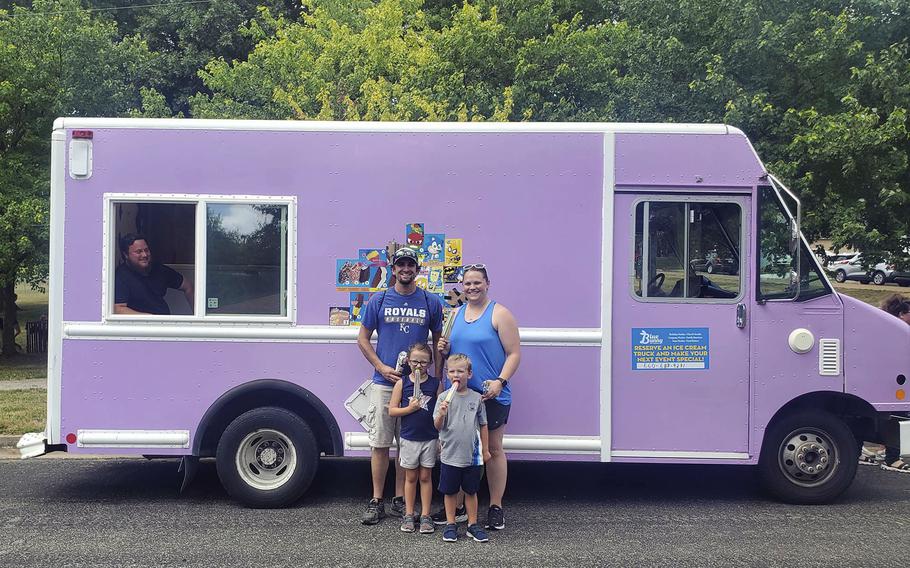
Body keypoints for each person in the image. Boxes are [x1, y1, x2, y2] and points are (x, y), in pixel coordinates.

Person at [357, 247, 444, 525]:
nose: (406, 269)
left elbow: (439, 343)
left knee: (406, 443)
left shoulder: (430, 302)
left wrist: (438, 380)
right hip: (385, 382)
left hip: (417, 386)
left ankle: (399, 501)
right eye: (401, 265)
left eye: (411, 265)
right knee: (380, 444)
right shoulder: (379, 299)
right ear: (393, 269)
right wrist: (381, 366)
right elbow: (362, 338)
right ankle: (376, 500)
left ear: (417, 270)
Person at [435, 263, 520, 530]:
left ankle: (495, 506)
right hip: (461, 396)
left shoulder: (500, 313)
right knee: (458, 449)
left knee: (492, 450)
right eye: (467, 283)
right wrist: (444, 350)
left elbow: (514, 353)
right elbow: (450, 356)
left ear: (487, 284)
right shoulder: (455, 315)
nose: (472, 287)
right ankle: (458, 508)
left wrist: (500, 382)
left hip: (490, 396)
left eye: (477, 283)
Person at [433, 353, 491, 543]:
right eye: (452, 371)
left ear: (469, 374)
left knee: (471, 491)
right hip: (450, 454)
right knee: (450, 491)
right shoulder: (443, 398)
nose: (456, 374)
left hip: (472, 455)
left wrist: (486, 450)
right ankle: (451, 524)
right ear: (447, 374)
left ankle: (472, 525)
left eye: (460, 371)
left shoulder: (477, 398)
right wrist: (441, 414)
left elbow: (483, 424)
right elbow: (437, 426)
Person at [387, 343, 443, 534]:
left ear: (430, 363)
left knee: (426, 476)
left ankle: (426, 515)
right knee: (410, 477)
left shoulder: (436, 384)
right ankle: (409, 513)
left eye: (423, 362)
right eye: (415, 361)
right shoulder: (402, 383)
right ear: (408, 361)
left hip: (430, 437)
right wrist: (409, 409)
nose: (418, 366)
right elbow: (392, 410)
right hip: (409, 437)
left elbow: (440, 411)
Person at [114, 233, 193, 315]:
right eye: (139, 252)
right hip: (140, 325)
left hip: (165, 323)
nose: (144, 255)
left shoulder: (159, 269)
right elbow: (118, 309)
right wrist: (149, 318)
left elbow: (188, 286)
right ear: (126, 255)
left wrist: (198, 318)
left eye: (146, 250)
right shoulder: (121, 276)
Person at [875, 294, 910, 473]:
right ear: (902, 313)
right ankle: (892, 458)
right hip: (892, 380)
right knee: (896, 416)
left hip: (890, 379)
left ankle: (881, 451)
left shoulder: (887, 326)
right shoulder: (896, 330)